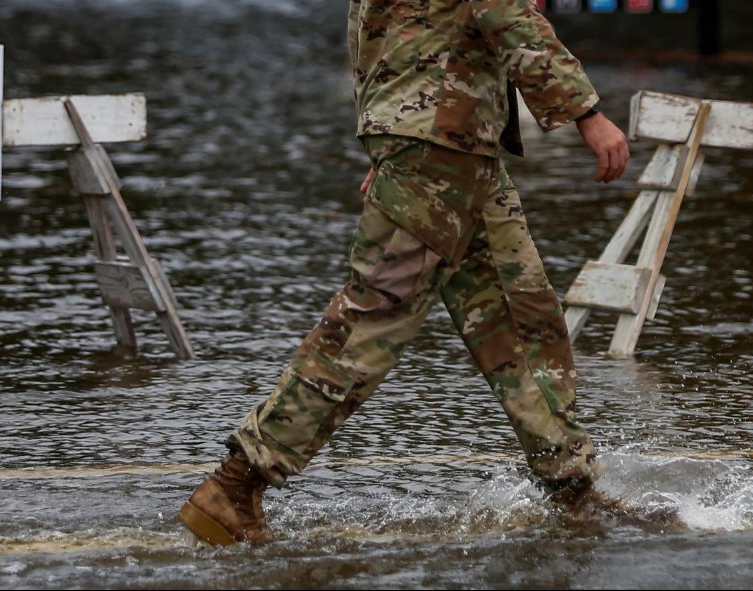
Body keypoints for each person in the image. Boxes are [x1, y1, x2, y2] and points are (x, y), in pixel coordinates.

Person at [179, 0, 630, 545]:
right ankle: (235, 485)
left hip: (452, 144)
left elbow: (371, 28)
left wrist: (389, 135)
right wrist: (586, 112)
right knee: (371, 323)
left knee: (520, 315)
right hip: (440, 144)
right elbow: (505, 10)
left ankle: (571, 489)